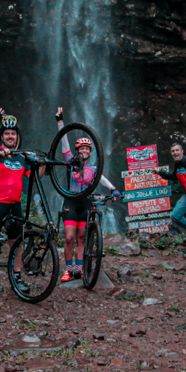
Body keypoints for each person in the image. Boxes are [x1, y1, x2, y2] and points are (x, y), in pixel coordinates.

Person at [0, 114, 43, 295]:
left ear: (17, 137)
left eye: (13, 134)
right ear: (2, 136)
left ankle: (17, 277)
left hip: (15, 204)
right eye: (7, 134)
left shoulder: (21, 157)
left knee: (17, 242)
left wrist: (42, 162)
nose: (10, 137)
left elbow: (36, 178)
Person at [54, 107, 119, 281]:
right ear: (77, 151)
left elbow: (102, 179)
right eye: (81, 148)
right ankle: (69, 269)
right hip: (71, 202)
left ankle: (79, 269)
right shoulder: (70, 162)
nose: (84, 151)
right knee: (69, 238)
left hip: (86, 204)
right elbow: (64, 145)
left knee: (81, 238)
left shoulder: (93, 169)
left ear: (90, 152)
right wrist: (61, 123)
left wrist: (113, 189)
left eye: (87, 149)